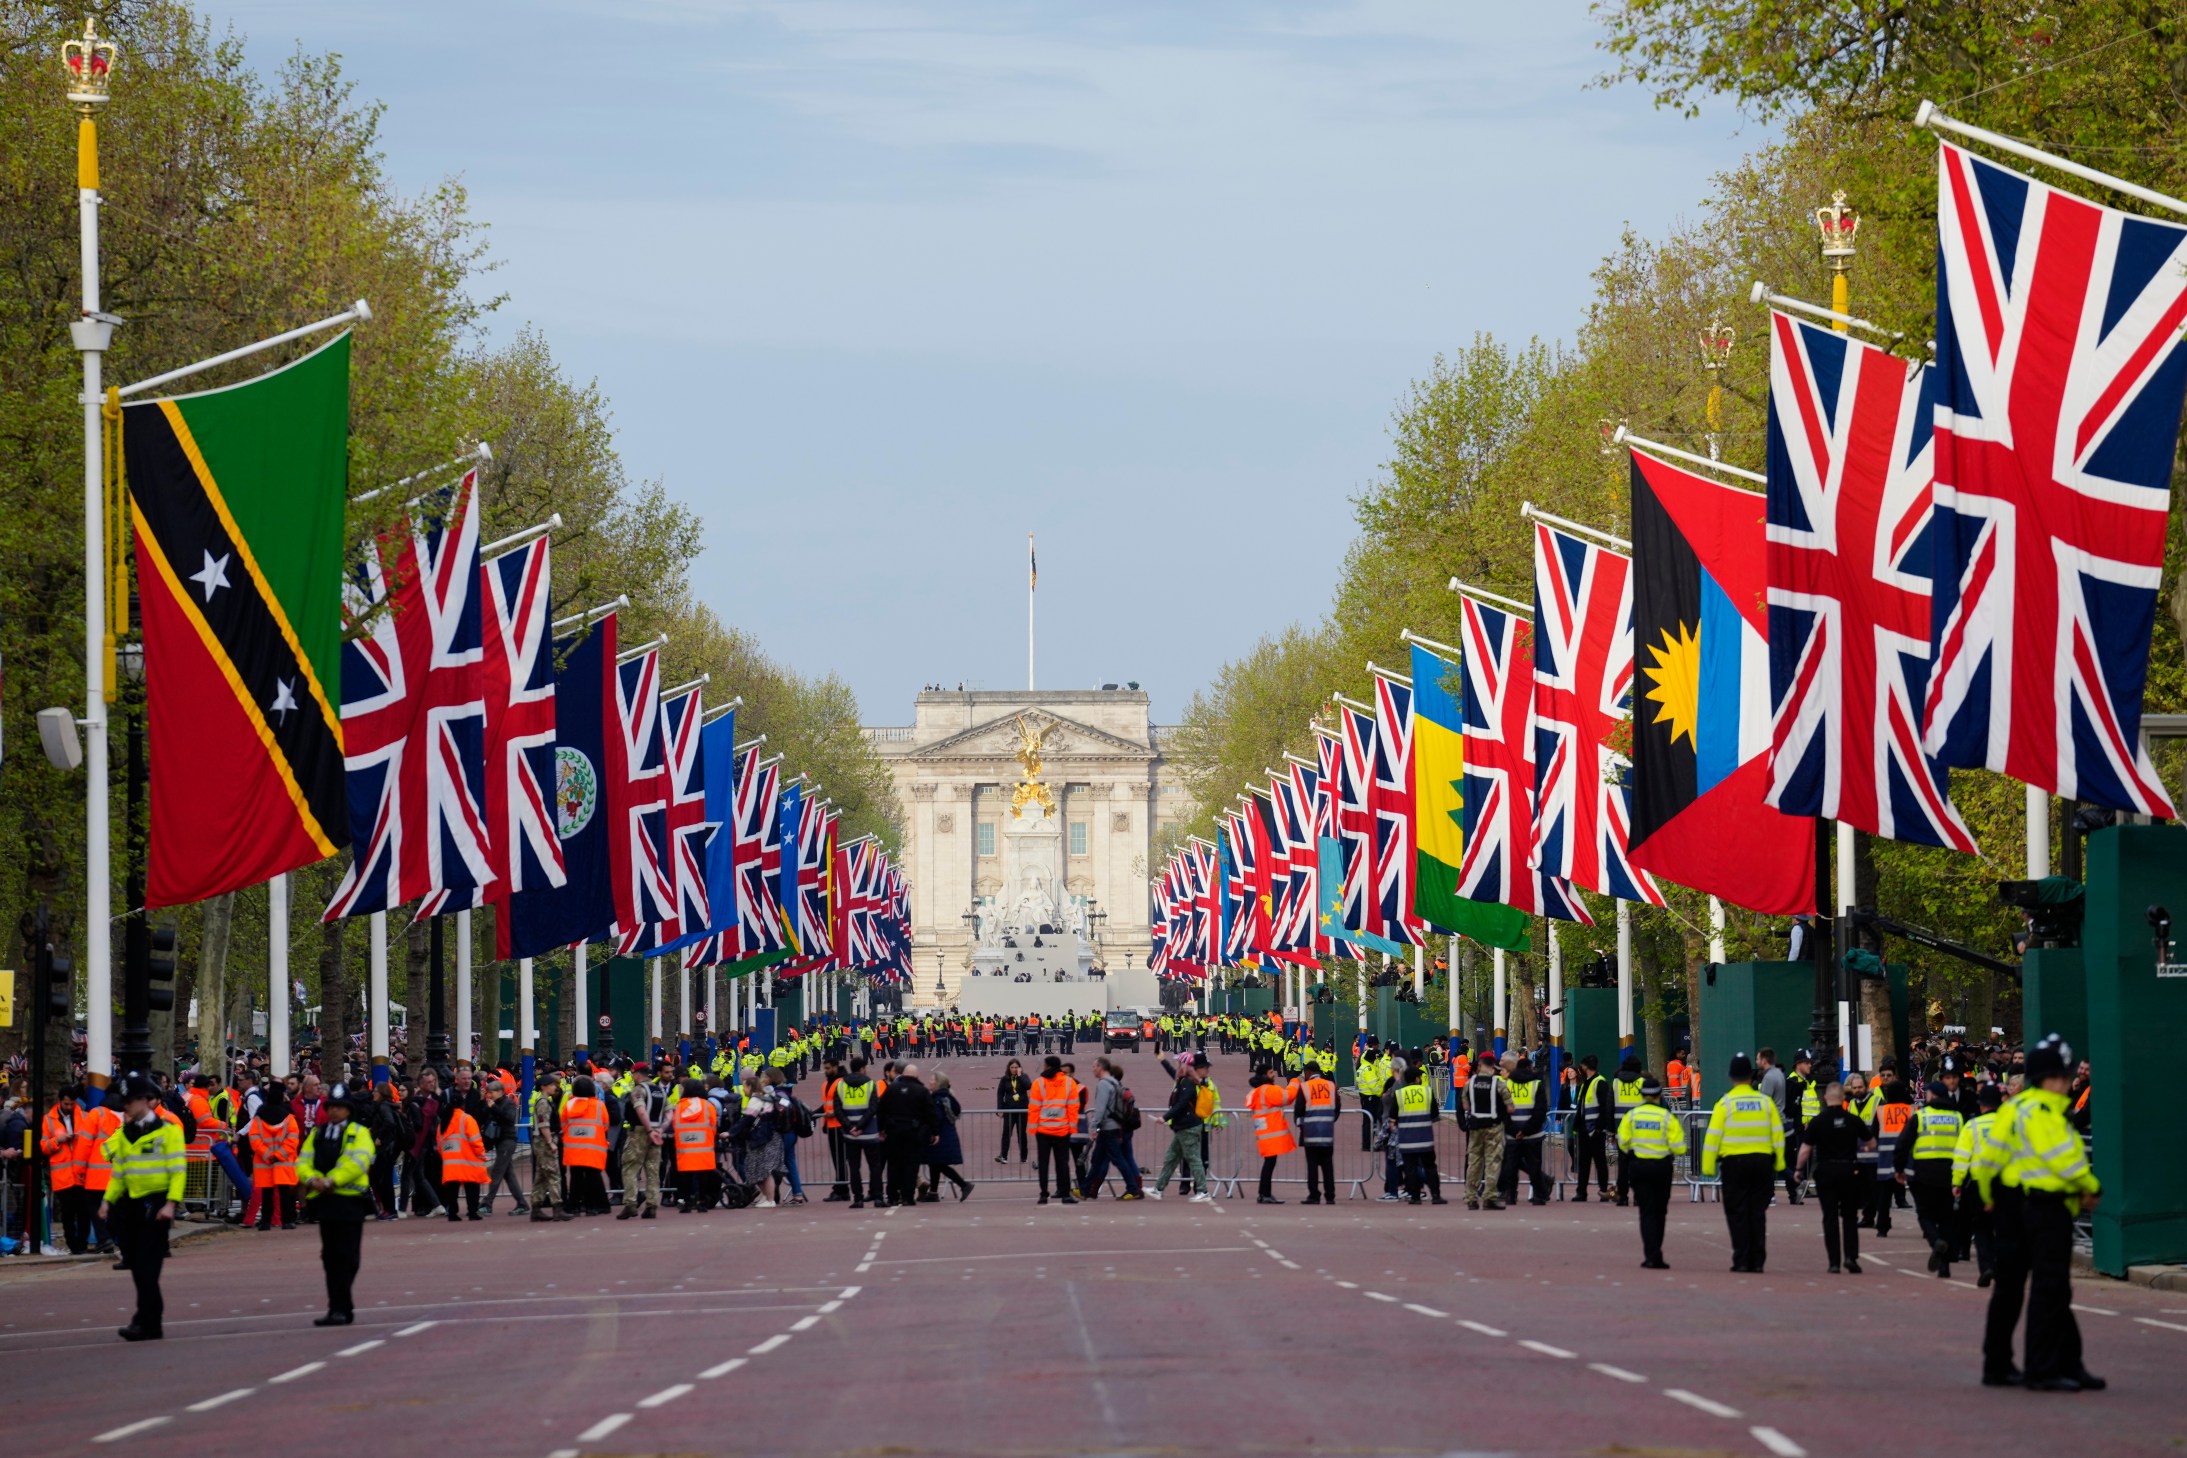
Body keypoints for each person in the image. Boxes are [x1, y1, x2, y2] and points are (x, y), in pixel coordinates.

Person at [1974, 1034, 2103, 1392]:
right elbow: (2062, 1156)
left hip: (2007, 1202)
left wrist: (1986, 1197)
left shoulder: (2013, 1109)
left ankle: (1999, 1363)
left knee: (2013, 1289)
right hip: (2040, 1203)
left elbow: (1989, 1160)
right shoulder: (2047, 1110)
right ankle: (2049, 1365)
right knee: (2051, 1287)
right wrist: (2089, 1188)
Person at [98, 1077, 186, 1340]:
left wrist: (171, 1203)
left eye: (130, 1102)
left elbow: (178, 1170)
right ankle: (147, 1320)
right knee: (136, 1265)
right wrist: (107, 1200)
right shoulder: (124, 1133)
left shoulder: (168, 1131)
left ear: (144, 1101)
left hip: (157, 1203)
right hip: (130, 1205)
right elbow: (120, 1173)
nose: (125, 1106)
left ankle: (147, 1320)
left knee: (148, 1266)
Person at [297, 1082, 376, 1326]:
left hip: (350, 1202)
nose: (334, 1112)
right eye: (332, 1107)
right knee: (330, 1257)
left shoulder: (359, 1133)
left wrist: (332, 1180)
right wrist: (311, 1179)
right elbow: (303, 1160)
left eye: (340, 1107)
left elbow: (358, 1163)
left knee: (348, 1257)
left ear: (348, 1110)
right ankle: (337, 1308)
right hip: (325, 1202)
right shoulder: (317, 1133)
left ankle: (342, 1305)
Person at [1700, 1054, 1784, 1274]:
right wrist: (1780, 1163)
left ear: (1730, 1077)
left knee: (1736, 1212)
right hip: (1762, 1163)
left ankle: (1741, 1258)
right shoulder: (1765, 1103)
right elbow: (1777, 1134)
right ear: (1751, 1076)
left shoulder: (1725, 1103)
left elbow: (1712, 1138)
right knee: (1757, 1212)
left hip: (1734, 1164)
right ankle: (1757, 1260)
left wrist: (1707, 1168)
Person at [1795, 1081, 1872, 1273]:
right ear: (1843, 1098)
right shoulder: (1853, 1120)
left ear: (1826, 1098)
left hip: (1826, 1171)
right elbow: (1871, 1143)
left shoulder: (1819, 1121)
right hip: (1849, 1171)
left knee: (1829, 1217)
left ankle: (1834, 1262)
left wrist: (1798, 1169)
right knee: (1849, 1216)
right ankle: (1851, 1257)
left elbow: (1805, 1149)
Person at [1896, 1075, 1965, 1277]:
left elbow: (1903, 1145)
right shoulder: (1958, 1117)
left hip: (1924, 1174)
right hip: (1950, 1174)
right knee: (1946, 1219)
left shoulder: (1921, 1116)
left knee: (1925, 1214)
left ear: (1933, 1095)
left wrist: (1898, 1169)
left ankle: (1936, 1242)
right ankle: (1944, 1268)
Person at [1615, 1075, 1678, 1268]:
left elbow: (1622, 1141)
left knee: (1646, 1211)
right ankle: (1656, 1251)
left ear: (1641, 1095)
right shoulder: (1666, 1117)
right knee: (1660, 1211)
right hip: (1661, 1167)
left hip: (1639, 1166)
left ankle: (1651, 1254)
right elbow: (1680, 1146)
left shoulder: (1632, 1116)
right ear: (1659, 1094)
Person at [1952, 1082, 2007, 1286]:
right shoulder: (2008, 1124)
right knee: (2002, 1228)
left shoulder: (1972, 1126)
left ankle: (1986, 1267)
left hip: (1978, 1184)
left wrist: (1956, 1182)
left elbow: (1961, 1158)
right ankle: (2001, 1267)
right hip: (2005, 1184)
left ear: (1981, 1104)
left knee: (1981, 1229)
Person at [1151, 1054, 1213, 1202]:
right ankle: (1158, 1188)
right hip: (1183, 1126)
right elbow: (1173, 1073)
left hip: (1188, 1126)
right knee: (1171, 1158)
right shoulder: (1184, 1080)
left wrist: (1165, 1117)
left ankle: (1203, 1190)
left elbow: (1181, 1104)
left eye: (1180, 1064)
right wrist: (1162, 1060)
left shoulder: (1188, 1083)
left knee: (1193, 1159)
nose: (1178, 1067)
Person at [878, 1063, 938, 1207]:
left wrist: (881, 1129)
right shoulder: (921, 1091)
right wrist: (934, 1132)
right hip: (913, 1132)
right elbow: (930, 1113)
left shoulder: (891, 1089)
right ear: (916, 1076)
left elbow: (881, 1110)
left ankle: (892, 1196)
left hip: (893, 1132)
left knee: (893, 1166)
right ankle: (908, 1197)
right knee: (911, 1166)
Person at [1080, 1058, 1141, 1200]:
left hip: (1108, 1128)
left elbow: (1100, 1109)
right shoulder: (1114, 1083)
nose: (1092, 1069)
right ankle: (1084, 1189)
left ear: (1101, 1067)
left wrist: (1093, 1126)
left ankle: (1133, 1188)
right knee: (1097, 1160)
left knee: (1117, 1159)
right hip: (1112, 1126)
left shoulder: (1103, 1084)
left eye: (1094, 1066)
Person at [832, 1057, 886, 1209]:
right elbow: (873, 1107)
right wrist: (861, 1126)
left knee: (854, 1168)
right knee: (875, 1166)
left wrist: (850, 1127)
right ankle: (878, 1197)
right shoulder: (870, 1084)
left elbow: (837, 1109)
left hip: (850, 1134)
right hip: (869, 1132)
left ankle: (858, 1199)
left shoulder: (841, 1085)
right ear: (862, 1068)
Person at [244, 1088, 301, 1231]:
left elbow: (255, 1138)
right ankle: (287, 1220)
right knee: (285, 1194)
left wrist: (267, 1154)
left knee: (267, 1194)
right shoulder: (289, 1118)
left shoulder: (259, 1118)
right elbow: (293, 1140)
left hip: (264, 1163)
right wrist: (279, 1155)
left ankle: (265, 1222)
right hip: (283, 1162)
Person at [1028, 1055, 1081, 1206]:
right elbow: (1073, 1107)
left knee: (1043, 1164)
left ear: (1048, 1066)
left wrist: (1032, 1128)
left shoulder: (1039, 1083)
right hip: (1062, 1130)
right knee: (1062, 1164)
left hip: (1043, 1130)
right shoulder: (1069, 1083)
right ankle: (1065, 1194)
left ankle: (1043, 1194)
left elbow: (1034, 1108)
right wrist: (1072, 1127)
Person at [1460, 1050, 1510, 1210]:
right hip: (1493, 1127)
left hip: (1475, 1127)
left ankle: (1471, 1197)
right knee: (1492, 1162)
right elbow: (1510, 1108)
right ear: (1492, 1067)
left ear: (1479, 1066)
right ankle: (1489, 1197)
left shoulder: (1469, 1083)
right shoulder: (1499, 1083)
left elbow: (1465, 1106)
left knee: (1474, 1162)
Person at [1390, 1063, 1445, 1204]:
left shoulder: (1399, 1094)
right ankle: (1436, 1195)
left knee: (1410, 1168)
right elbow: (1434, 1114)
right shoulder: (1427, 1091)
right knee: (1430, 1167)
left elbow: (1393, 1117)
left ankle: (1415, 1197)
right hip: (1425, 1136)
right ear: (1417, 1079)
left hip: (1407, 1138)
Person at [1499, 1055, 1549, 1206]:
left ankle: (1511, 1195)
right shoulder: (1536, 1084)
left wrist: (1514, 1130)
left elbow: (1503, 1112)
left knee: (1511, 1166)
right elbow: (1540, 1111)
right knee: (1534, 1166)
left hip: (1512, 1134)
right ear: (1529, 1068)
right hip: (1533, 1134)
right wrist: (1527, 1130)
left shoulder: (1508, 1085)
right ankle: (1539, 1196)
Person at [560, 1075, 612, 1216]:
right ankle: (596, 1205)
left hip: (573, 1147)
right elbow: (606, 1124)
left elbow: (563, 1124)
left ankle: (574, 1206)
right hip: (594, 1146)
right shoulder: (599, 1105)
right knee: (593, 1177)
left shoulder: (569, 1104)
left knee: (576, 1178)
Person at [617, 1066, 663, 1220]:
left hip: (639, 1132)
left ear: (637, 1074)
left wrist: (649, 1130)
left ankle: (630, 1203)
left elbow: (641, 1110)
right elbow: (670, 1112)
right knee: (652, 1170)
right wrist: (659, 1130)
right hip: (656, 1131)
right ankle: (652, 1205)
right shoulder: (659, 1091)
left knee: (630, 1168)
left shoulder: (638, 1090)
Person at [1245, 1069, 1297, 1204]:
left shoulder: (1258, 1091)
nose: (1273, 1074)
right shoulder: (1269, 1090)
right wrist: (1295, 1081)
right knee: (1269, 1164)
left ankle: (1263, 1193)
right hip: (1271, 1132)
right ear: (1264, 1076)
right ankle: (1265, 1193)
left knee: (1269, 1163)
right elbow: (1288, 1096)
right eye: (1270, 1072)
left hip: (1264, 1133)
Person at [672, 1078, 722, 1212]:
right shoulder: (708, 1106)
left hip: (685, 1146)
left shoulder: (679, 1106)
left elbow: (675, 1126)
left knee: (685, 1177)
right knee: (703, 1176)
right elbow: (713, 1126)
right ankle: (702, 1202)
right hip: (704, 1147)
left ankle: (687, 1202)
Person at [923, 1071, 974, 1201]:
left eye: (932, 1080)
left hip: (940, 1136)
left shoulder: (938, 1099)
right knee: (934, 1163)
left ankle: (963, 1185)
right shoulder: (946, 1098)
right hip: (946, 1134)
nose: (929, 1081)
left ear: (938, 1083)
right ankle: (933, 1192)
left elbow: (937, 1118)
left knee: (939, 1164)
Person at [1569, 1055, 1614, 1201]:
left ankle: (1603, 1191)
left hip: (1595, 1130)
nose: (1580, 1069)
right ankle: (1581, 1192)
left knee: (1600, 1162)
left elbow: (1604, 1107)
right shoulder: (1586, 1083)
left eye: (1582, 1066)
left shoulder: (1599, 1083)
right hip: (1584, 1130)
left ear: (1586, 1067)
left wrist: (1599, 1128)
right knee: (1584, 1163)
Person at [436, 1094, 488, 1222]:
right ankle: (472, 1212)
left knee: (452, 1190)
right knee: (472, 1188)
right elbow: (475, 1140)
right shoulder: (466, 1119)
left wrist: (446, 1156)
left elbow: (439, 1143)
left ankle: (452, 1213)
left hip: (450, 1162)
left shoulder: (443, 1122)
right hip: (468, 1160)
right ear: (463, 1105)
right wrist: (481, 1154)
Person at [1295, 1061, 1340, 1205]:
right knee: (1328, 1165)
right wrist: (1329, 1121)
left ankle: (1314, 1195)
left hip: (1310, 1131)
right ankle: (1330, 1195)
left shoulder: (1305, 1087)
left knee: (1312, 1165)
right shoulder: (1331, 1086)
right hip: (1327, 1131)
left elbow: (1299, 1111)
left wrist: (1301, 1127)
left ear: (1308, 1072)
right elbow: (1337, 1108)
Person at [480, 1074, 525, 1216]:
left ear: (499, 1092)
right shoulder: (493, 1104)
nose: (489, 1095)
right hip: (499, 1141)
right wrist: (484, 1104)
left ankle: (487, 1203)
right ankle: (522, 1203)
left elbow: (509, 1118)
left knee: (497, 1172)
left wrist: (493, 1108)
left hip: (507, 1140)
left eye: (491, 1093)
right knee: (508, 1175)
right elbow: (483, 1117)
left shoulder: (508, 1103)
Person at [529, 1068, 568, 1222]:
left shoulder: (543, 1101)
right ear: (544, 1086)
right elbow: (544, 1124)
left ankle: (536, 1208)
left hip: (541, 1140)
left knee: (540, 1176)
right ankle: (557, 1207)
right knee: (553, 1174)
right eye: (552, 1085)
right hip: (546, 1140)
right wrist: (551, 1142)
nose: (555, 1087)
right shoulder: (544, 1103)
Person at [995, 1059, 1030, 1165]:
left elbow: (1028, 1086)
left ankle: (1023, 1157)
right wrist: (1000, 1109)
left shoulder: (1024, 1077)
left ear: (1019, 1068)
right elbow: (1000, 1094)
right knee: (1006, 1133)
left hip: (1022, 1109)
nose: (1014, 1069)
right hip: (1009, 1109)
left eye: (1016, 1067)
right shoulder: (1005, 1079)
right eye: (1012, 1067)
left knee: (1021, 1134)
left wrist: (1020, 1076)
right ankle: (1003, 1155)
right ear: (1009, 1068)